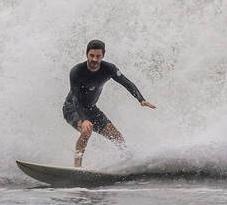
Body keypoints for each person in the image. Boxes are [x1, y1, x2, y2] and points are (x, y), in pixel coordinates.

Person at [62, 39, 156, 167]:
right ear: (87, 54)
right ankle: (77, 166)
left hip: (91, 109)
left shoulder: (109, 68)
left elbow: (126, 82)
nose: (94, 59)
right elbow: (76, 98)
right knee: (87, 130)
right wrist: (83, 120)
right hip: (72, 108)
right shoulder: (77, 71)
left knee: (118, 138)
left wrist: (141, 99)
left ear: (103, 56)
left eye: (98, 56)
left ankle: (130, 164)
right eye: (92, 55)